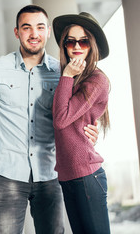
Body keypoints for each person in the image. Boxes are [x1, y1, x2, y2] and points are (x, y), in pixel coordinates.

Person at [0, 5, 99, 234]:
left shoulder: (63, 73)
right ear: (17, 32)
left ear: (47, 32)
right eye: (26, 27)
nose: (33, 34)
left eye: (39, 27)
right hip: (6, 174)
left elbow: (73, 118)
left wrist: (89, 135)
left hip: (50, 173)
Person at [52, 12, 111, 233]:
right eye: (71, 41)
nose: (77, 46)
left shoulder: (96, 79)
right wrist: (67, 76)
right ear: (64, 45)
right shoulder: (68, 79)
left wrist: (67, 75)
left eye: (83, 41)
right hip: (68, 175)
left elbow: (60, 119)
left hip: (86, 175)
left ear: (91, 45)